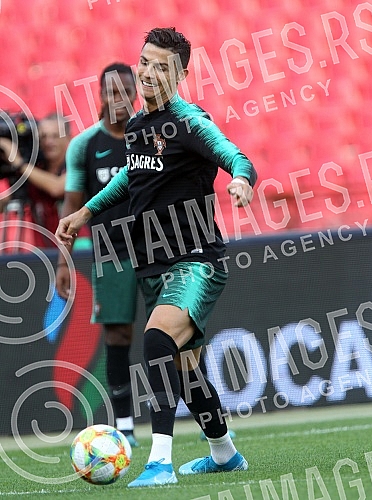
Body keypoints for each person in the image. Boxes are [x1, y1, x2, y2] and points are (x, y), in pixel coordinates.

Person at [55, 27, 257, 488]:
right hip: (153, 264)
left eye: (160, 66)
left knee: (157, 341)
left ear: (181, 74)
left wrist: (242, 179)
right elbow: (132, 174)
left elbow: (235, 155)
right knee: (188, 369)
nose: (147, 72)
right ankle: (224, 454)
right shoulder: (140, 125)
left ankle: (160, 462)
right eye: (144, 61)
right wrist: (85, 210)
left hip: (195, 261)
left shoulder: (190, 123)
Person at [55, 63, 139, 447]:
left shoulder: (151, 137)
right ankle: (125, 426)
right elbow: (72, 205)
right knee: (118, 335)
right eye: (110, 91)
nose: (117, 98)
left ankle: (207, 416)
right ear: (100, 95)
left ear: (136, 93)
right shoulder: (85, 146)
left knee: (178, 331)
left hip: (161, 248)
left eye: (125, 90)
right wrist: (63, 261)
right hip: (112, 254)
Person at [0, 114, 70, 248]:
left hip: (81, 250)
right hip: (48, 255)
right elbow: (6, 202)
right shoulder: (36, 173)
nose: (48, 142)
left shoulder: (78, 163)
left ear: (68, 138)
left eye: (55, 136)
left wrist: (18, 162)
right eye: (43, 137)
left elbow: (57, 187)